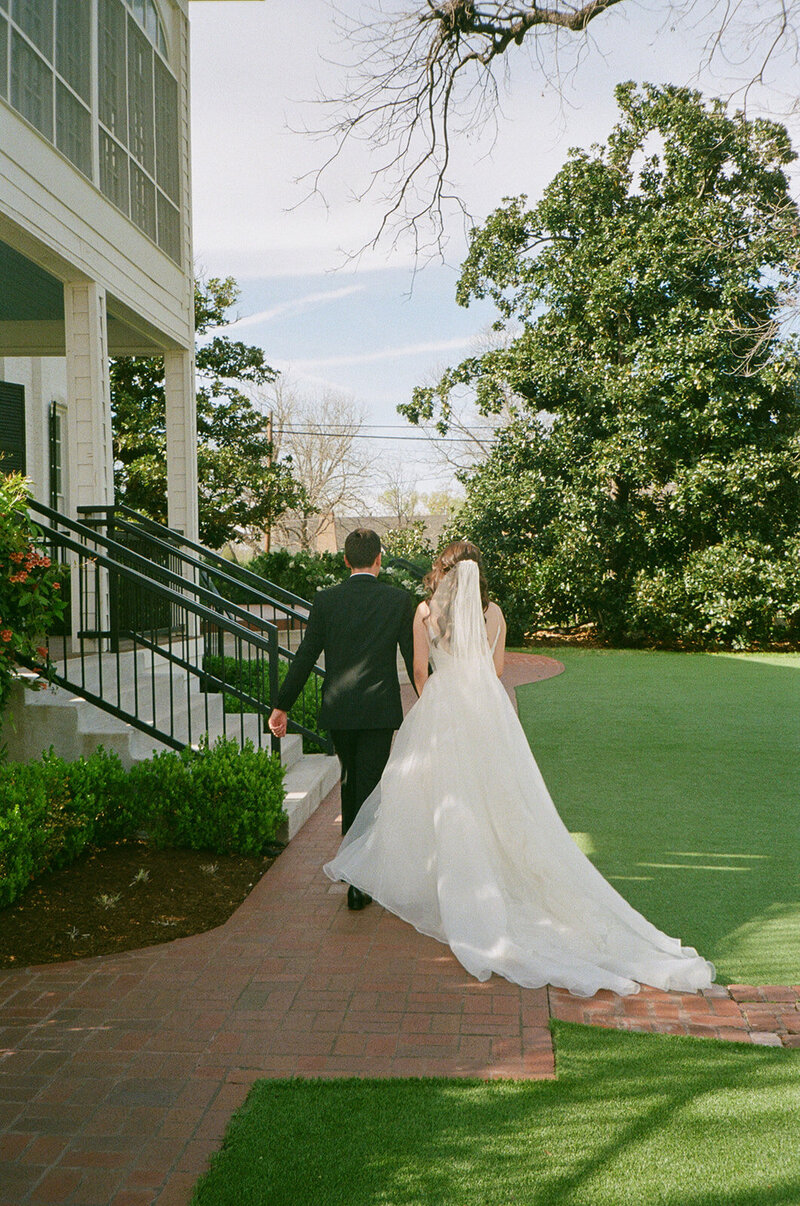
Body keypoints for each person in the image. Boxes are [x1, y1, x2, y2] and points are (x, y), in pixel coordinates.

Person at [323, 540, 715, 997]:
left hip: (444, 707)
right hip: (486, 713)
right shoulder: (495, 614)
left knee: (438, 796)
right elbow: (496, 670)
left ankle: (447, 881)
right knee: (497, 797)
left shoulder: (426, 612)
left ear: (443, 572)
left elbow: (419, 670)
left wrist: (437, 702)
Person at [269, 528, 416, 910]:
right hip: (379, 710)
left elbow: (305, 656)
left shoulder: (327, 600)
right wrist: (433, 698)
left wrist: (281, 704)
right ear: (379, 559)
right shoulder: (399, 601)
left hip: (340, 710)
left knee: (352, 784)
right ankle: (358, 878)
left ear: (346, 561)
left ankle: (355, 874)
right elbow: (415, 659)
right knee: (367, 787)